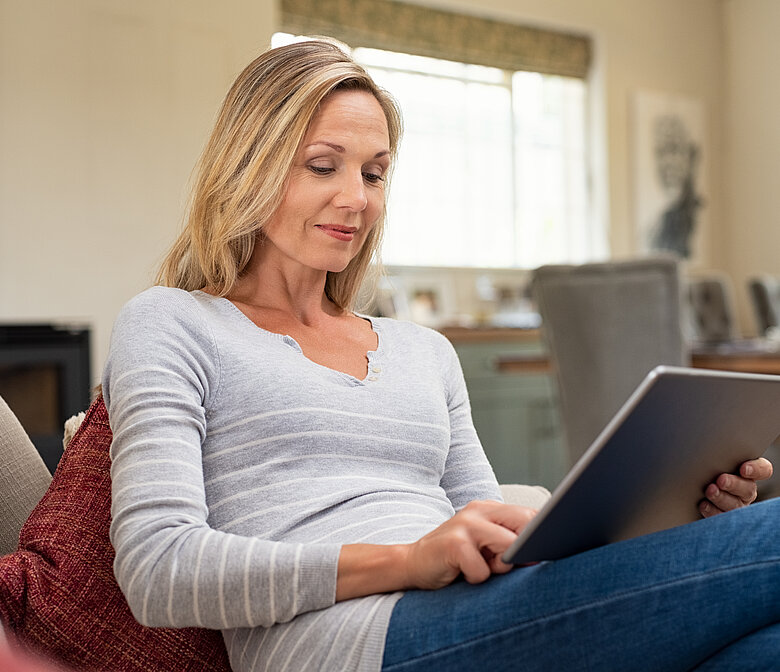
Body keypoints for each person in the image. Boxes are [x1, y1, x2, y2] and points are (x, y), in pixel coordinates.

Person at [102, 40, 779, 672]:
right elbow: (158, 569)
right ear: (249, 162)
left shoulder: (423, 351)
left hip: (474, 615)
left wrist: (674, 514)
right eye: (322, 165)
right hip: (351, 640)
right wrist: (406, 560)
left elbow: (500, 534)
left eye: (375, 173)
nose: (356, 200)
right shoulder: (173, 323)